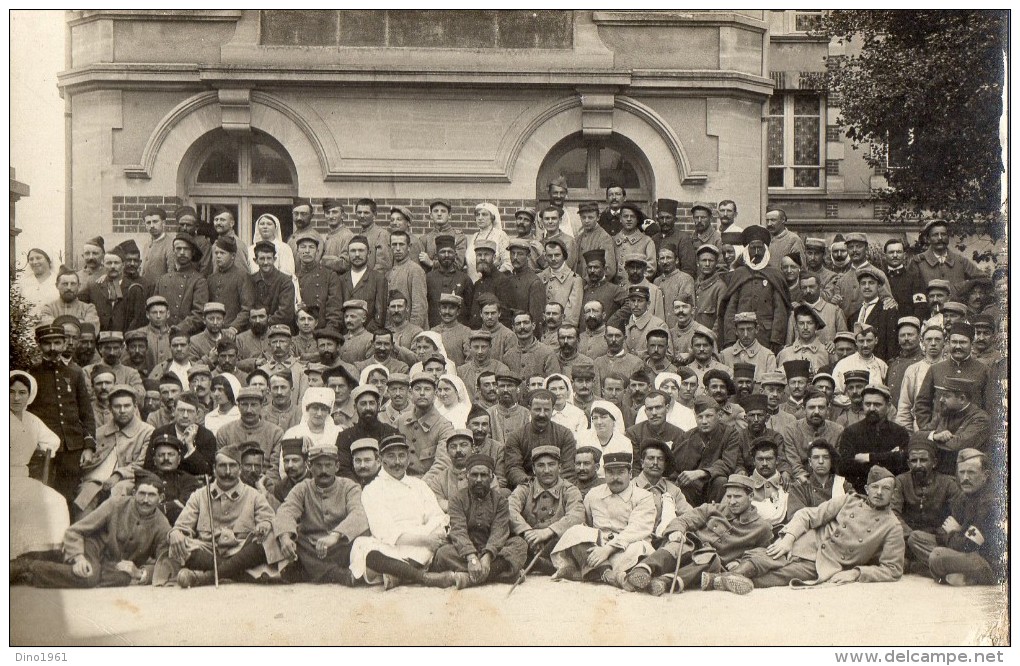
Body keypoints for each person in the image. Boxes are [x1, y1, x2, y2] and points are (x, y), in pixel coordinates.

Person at [712, 465, 903, 593]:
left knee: (781, 575)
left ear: (893, 493)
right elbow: (807, 515)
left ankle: (723, 579)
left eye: (886, 489)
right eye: (875, 487)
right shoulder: (849, 500)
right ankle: (728, 577)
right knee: (767, 556)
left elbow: (893, 569)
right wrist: (788, 539)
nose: (879, 493)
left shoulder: (892, 526)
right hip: (806, 543)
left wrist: (857, 573)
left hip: (825, 563)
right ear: (867, 488)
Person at [624, 473, 772, 596]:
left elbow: (761, 552)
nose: (732, 502)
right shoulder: (712, 508)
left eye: (737, 497)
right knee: (679, 544)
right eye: (729, 496)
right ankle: (642, 570)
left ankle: (664, 582)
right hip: (688, 549)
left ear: (751, 496)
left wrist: (739, 561)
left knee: (709, 558)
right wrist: (677, 531)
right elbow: (685, 519)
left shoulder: (762, 527)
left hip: (709, 564)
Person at [11, 477, 170, 588]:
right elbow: (75, 530)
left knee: (122, 577)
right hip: (92, 547)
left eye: (152, 495)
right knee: (89, 578)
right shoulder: (116, 504)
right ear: (134, 493)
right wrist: (79, 558)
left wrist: (140, 573)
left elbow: (165, 562)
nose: (145, 500)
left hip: (113, 564)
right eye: (142, 493)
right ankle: (29, 567)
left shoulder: (162, 525)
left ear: (161, 498)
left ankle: (64, 568)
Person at [349, 434, 456, 590]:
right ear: (381, 459)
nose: (397, 462)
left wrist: (429, 537)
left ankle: (399, 574)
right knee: (365, 549)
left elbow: (437, 516)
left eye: (401, 456)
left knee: (437, 543)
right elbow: (383, 530)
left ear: (408, 459)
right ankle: (423, 577)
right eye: (391, 456)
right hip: (391, 544)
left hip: (423, 542)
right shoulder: (372, 489)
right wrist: (423, 540)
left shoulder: (419, 485)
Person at [169, 444, 281, 588]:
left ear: (239, 469)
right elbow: (182, 526)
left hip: (241, 548)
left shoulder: (254, 495)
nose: (227, 472)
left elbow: (269, 520)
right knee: (177, 544)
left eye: (232, 466)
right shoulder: (200, 495)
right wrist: (176, 532)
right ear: (214, 469)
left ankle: (205, 577)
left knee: (271, 538)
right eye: (222, 466)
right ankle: (242, 572)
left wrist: (264, 525)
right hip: (210, 550)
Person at [550, 451, 655, 587]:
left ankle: (590, 573)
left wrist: (608, 550)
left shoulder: (643, 496)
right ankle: (610, 576)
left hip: (626, 546)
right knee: (576, 531)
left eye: (620, 472)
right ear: (604, 473)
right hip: (596, 548)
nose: (615, 477)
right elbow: (586, 523)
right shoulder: (594, 494)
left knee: (639, 549)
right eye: (610, 472)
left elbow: (637, 529)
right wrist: (597, 547)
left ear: (630, 474)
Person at [274, 443, 369, 585]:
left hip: (340, 546)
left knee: (362, 536)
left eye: (328, 465)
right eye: (318, 465)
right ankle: (337, 575)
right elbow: (286, 511)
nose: (323, 470)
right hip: (311, 548)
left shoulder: (349, 487)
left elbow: (358, 514)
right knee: (291, 538)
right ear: (309, 467)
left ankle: (313, 572)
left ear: (337, 466)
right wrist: (285, 537)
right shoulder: (303, 488)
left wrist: (335, 535)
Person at [909, 449, 1004, 586]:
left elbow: (968, 546)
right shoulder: (963, 497)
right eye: (962, 472)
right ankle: (955, 574)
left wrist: (955, 532)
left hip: (986, 561)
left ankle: (961, 575)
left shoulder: (990, 503)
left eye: (971, 472)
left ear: (985, 475)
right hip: (963, 549)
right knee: (916, 538)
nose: (965, 478)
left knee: (937, 555)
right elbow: (944, 530)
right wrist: (957, 533)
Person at [432, 453, 527, 588]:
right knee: (443, 553)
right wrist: (471, 557)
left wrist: (487, 556)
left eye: (483, 475)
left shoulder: (500, 500)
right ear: (467, 476)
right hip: (464, 550)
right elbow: (458, 531)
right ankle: (504, 574)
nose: (478, 480)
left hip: (492, 550)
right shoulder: (457, 499)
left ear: (491, 477)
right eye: (474, 475)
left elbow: (499, 531)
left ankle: (468, 579)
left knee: (520, 545)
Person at [29, 325, 98, 504]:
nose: (53, 348)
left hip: (72, 449)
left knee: (67, 497)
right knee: (43, 495)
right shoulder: (32, 374)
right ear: (38, 344)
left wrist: (89, 446)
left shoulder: (75, 373)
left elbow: (86, 413)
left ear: (65, 343)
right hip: (43, 449)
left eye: (57, 343)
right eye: (47, 343)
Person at [10, 371, 71, 559]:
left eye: (22, 393)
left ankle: (47, 553)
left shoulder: (32, 420)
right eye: (11, 392)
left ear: (30, 395)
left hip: (23, 478)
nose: (16, 397)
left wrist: (42, 447)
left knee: (56, 500)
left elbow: (53, 440)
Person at [508, 445, 585, 575]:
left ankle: (543, 564)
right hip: (529, 543)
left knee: (577, 539)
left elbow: (577, 515)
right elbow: (509, 508)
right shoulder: (525, 489)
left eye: (551, 464)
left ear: (559, 467)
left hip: (557, 544)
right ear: (533, 469)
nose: (547, 470)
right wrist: (526, 531)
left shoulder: (569, 490)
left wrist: (548, 531)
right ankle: (544, 564)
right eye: (541, 465)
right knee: (514, 543)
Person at [890, 437, 961, 573]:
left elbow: (958, 514)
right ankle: (942, 568)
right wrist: (910, 535)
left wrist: (940, 534)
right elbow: (893, 512)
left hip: (936, 540)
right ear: (908, 463)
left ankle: (919, 566)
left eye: (923, 460)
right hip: (906, 538)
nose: (918, 465)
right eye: (913, 461)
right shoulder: (901, 481)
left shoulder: (948, 483)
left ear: (934, 463)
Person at [719, 226, 791, 353]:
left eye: (760, 248)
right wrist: (730, 338)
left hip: (766, 338)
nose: (757, 252)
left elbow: (780, 310)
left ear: (766, 250)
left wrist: (776, 339)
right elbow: (730, 309)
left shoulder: (775, 274)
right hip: (740, 336)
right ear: (747, 250)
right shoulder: (739, 274)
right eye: (753, 248)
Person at [912, 323, 992, 429]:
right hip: (938, 434)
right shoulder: (935, 369)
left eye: (963, 342)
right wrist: (928, 430)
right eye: (954, 342)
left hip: (971, 435)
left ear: (972, 344)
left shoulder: (984, 371)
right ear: (948, 343)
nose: (958, 346)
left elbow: (990, 406)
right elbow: (922, 403)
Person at [671, 395, 742, 506]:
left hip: (714, 487)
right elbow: (676, 467)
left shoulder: (730, 434)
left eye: (709, 416)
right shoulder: (686, 437)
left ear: (719, 415)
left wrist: (701, 472)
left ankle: (716, 517)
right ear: (695, 417)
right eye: (700, 417)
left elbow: (728, 464)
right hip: (691, 489)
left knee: (721, 481)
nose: (704, 421)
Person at [836, 384, 909, 491]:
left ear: (888, 406)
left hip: (892, 492)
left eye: (877, 405)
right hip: (860, 492)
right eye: (867, 404)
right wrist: (890, 457)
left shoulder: (899, 432)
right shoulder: (851, 432)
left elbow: (904, 463)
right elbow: (845, 467)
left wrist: (869, 458)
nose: (871, 409)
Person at [915, 377, 991, 476]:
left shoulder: (980, 419)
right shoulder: (944, 413)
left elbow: (958, 446)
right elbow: (917, 436)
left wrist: (928, 440)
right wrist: (934, 436)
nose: (941, 400)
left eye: (946, 396)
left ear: (962, 399)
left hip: (965, 474)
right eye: (941, 396)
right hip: (940, 471)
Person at [505, 388, 579, 488]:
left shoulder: (564, 434)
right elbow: (513, 468)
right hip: (527, 488)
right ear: (529, 409)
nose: (542, 414)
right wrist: (531, 484)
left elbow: (568, 469)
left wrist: (554, 487)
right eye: (537, 409)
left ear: (553, 410)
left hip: (559, 488)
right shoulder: (516, 437)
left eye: (547, 410)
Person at [214, 386, 283, 480]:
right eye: (244, 405)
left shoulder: (275, 433)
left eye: (254, 405)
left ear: (261, 405)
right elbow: (221, 465)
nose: (249, 410)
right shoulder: (224, 432)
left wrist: (263, 487)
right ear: (238, 406)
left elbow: (274, 469)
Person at [780, 386, 844, 484]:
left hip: (828, 482)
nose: (816, 412)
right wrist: (803, 476)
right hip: (800, 481)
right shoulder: (791, 430)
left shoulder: (838, 430)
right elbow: (793, 461)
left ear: (828, 409)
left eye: (821, 407)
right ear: (804, 409)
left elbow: (837, 463)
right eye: (811, 407)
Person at [398, 372, 456, 476]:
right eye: (417, 389)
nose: (422, 393)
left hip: (427, 485)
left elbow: (443, 464)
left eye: (427, 389)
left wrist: (421, 487)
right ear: (410, 393)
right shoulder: (400, 421)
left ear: (435, 394)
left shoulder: (444, 427)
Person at [153, 234, 209, 336]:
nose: (182, 252)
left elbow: (199, 313)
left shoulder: (199, 280)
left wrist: (179, 328)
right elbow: (154, 308)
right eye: (178, 249)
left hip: (188, 336)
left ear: (192, 253)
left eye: (186, 249)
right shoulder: (163, 280)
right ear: (173, 251)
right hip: (162, 334)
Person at [82, 246, 147, 332]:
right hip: (100, 340)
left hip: (124, 341)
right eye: (109, 263)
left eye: (116, 263)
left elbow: (138, 318)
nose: (112, 266)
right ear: (103, 264)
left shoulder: (134, 289)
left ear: (123, 265)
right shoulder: (93, 287)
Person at [142, 432, 203, 525]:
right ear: (154, 460)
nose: (166, 458)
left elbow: (185, 508)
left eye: (170, 454)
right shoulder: (145, 479)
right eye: (161, 455)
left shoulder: (189, 481)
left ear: (178, 459)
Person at [895, 324, 947, 430]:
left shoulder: (949, 368)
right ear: (922, 342)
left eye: (937, 339)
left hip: (946, 428)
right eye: (929, 339)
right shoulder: (913, 370)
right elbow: (905, 406)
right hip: (919, 428)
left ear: (944, 343)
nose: (933, 343)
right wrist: (907, 434)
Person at [914, 220, 986, 296]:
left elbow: (984, 279)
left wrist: (962, 287)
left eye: (943, 234)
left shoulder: (960, 261)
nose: (940, 238)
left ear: (948, 237)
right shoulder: (918, 262)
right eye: (935, 235)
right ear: (928, 239)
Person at [785, 440, 854, 517]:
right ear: (810, 462)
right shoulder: (800, 487)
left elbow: (855, 510)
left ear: (831, 461)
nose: (821, 461)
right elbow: (796, 518)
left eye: (826, 457)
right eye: (816, 457)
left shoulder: (843, 484)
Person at [294, 231, 342, 331]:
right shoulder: (293, 277)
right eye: (303, 247)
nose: (307, 251)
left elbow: (334, 310)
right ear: (297, 251)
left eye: (311, 247)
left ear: (317, 251)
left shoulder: (329, 275)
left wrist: (327, 333)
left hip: (321, 332)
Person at [207, 237, 255, 336]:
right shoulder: (211, 279)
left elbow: (247, 308)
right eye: (216, 253)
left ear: (233, 256)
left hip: (235, 332)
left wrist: (234, 327)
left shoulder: (243, 277)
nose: (218, 256)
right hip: (213, 331)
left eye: (222, 253)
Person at [425, 235, 474, 328]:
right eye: (443, 252)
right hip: (434, 329)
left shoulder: (465, 279)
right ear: (436, 255)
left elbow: (470, 308)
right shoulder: (428, 278)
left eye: (450, 252)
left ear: (455, 255)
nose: (446, 255)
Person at [251, 242, 297, 329]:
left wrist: (264, 323)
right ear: (255, 260)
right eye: (262, 259)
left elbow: (285, 313)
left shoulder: (285, 281)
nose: (265, 262)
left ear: (274, 259)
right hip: (254, 328)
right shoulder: (250, 280)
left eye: (269, 258)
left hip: (278, 329)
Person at [832, 324, 889, 394]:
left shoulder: (882, 365)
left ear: (876, 340)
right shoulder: (843, 364)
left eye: (869, 340)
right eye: (861, 341)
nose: (865, 345)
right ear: (856, 342)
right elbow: (836, 393)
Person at [746, 438, 789, 528]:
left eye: (769, 459)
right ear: (754, 461)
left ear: (777, 460)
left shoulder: (788, 486)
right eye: (760, 459)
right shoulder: (744, 487)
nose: (764, 463)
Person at [505, 239, 547, 329]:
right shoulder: (508, 279)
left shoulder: (534, 282)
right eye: (512, 253)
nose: (515, 257)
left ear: (528, 256)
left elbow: (536, 320)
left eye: (520, 254)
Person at [466, 202, 512, 282]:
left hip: (492, 282)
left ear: (492, 217)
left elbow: (508, 263)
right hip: (471, 282)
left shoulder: (500, 235)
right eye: (477, 215)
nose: (480, 218)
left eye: (484, 214)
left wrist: (493, 276)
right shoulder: (474, 236)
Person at [420, 199, 468, 270]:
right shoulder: (424, 239)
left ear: (449, 215)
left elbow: (457, 265)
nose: (439, 214)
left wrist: (431, 263)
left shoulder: (459, 237)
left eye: (443, 211)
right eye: (436, 211)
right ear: (431, 215)